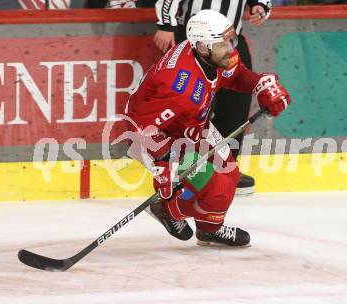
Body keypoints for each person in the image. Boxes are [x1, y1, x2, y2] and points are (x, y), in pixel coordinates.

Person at [124, 10, 290, 246]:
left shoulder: (211, 55)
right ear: (202, 47)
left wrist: (260, 84)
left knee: (229, 174)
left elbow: (236, 74)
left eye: (229, 40)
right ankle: (169, 209)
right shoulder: (180, 87)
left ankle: (209, 228)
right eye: (223, 44)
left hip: (191, 122)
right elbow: (143, 128)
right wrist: (163, 165)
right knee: (216, 188)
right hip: (158, 136)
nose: (231, 48)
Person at [154, 0, 272, 196]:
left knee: (236, 106)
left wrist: (259, 5)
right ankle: (183, 170)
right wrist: (165, 24)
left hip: (230, 40)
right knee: (194, 108)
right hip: (196, 41)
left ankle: (225, 169)